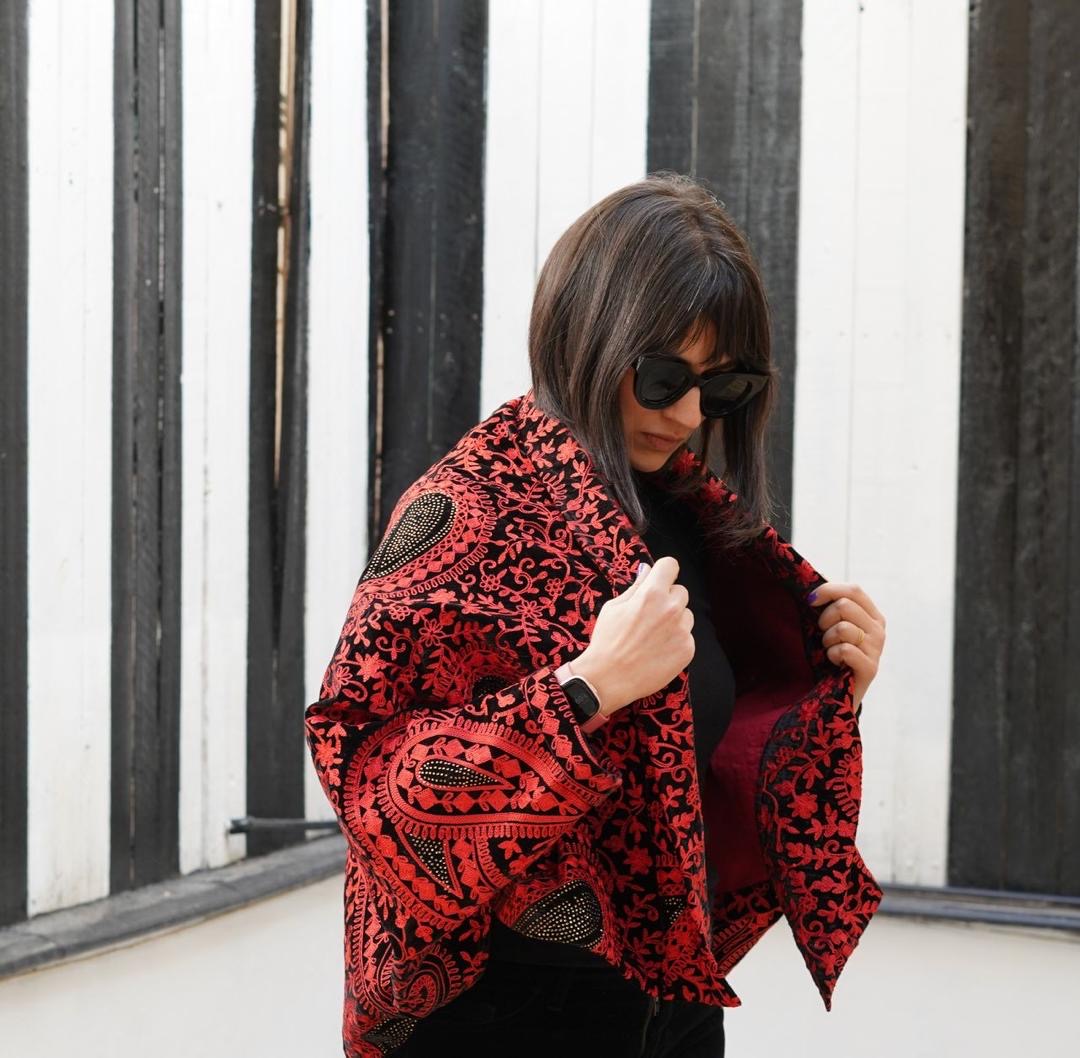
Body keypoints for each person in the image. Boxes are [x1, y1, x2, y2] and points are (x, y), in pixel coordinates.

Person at [305, 171, 888, 1058]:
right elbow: (367, 779)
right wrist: (587, 689)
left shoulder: (693, 522)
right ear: (589, 335)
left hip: (670, 1003)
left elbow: (705, 768)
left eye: (721, 389)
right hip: (497, 1012)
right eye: (664, 377)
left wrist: (828, 691)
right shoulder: (466, 513)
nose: (688, 414)